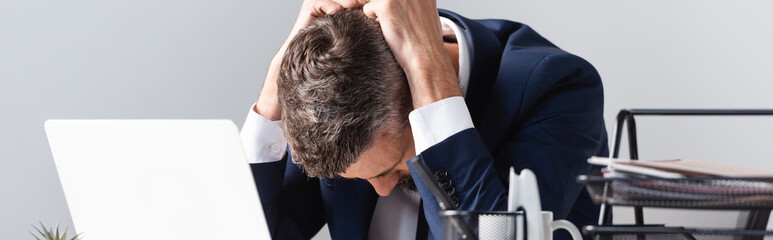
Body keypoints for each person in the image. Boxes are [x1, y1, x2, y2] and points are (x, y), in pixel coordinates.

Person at [240, 0, 608, 239]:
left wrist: (429, 76)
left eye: (390, 167)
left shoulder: (558, 87)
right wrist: (274, 92)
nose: (382, 189)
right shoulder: (340, 102)